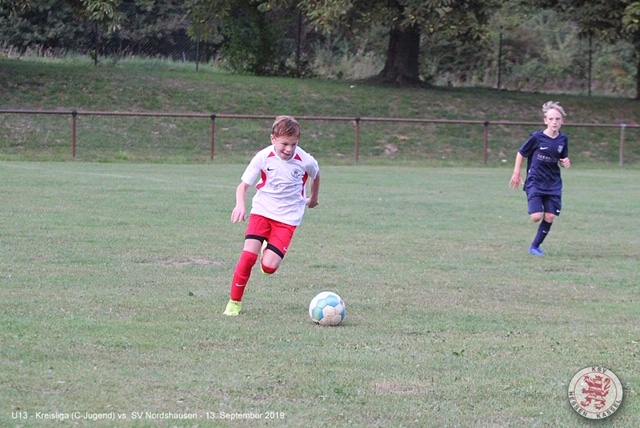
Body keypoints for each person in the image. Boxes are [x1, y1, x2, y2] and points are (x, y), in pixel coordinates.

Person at [223, 115, 321, 316]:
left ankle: (267, 249)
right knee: (248, 257)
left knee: (269, 267)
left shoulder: (305, 160)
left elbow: (316, 175)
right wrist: (240, 204)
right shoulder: (263, 157)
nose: (289, 149)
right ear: (273, 139)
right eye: (284, 144)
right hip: (262, 211)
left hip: (288, 218)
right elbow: (243, 186)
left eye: (293, 144)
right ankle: (234, 303)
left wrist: (313, 198)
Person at [509, 101, 571, 256]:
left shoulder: (563, 139)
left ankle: (535, 247)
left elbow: (562, 158)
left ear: (562, 121)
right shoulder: (537, 137)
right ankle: (535, 243)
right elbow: (521, 153)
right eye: (551, 119)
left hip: (553, 183)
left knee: (550, 215)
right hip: (535, 181)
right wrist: (516, 172)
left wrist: (565, 162)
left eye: (557, 119)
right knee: (536, 217)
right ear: (545, 121)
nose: (554, 122)